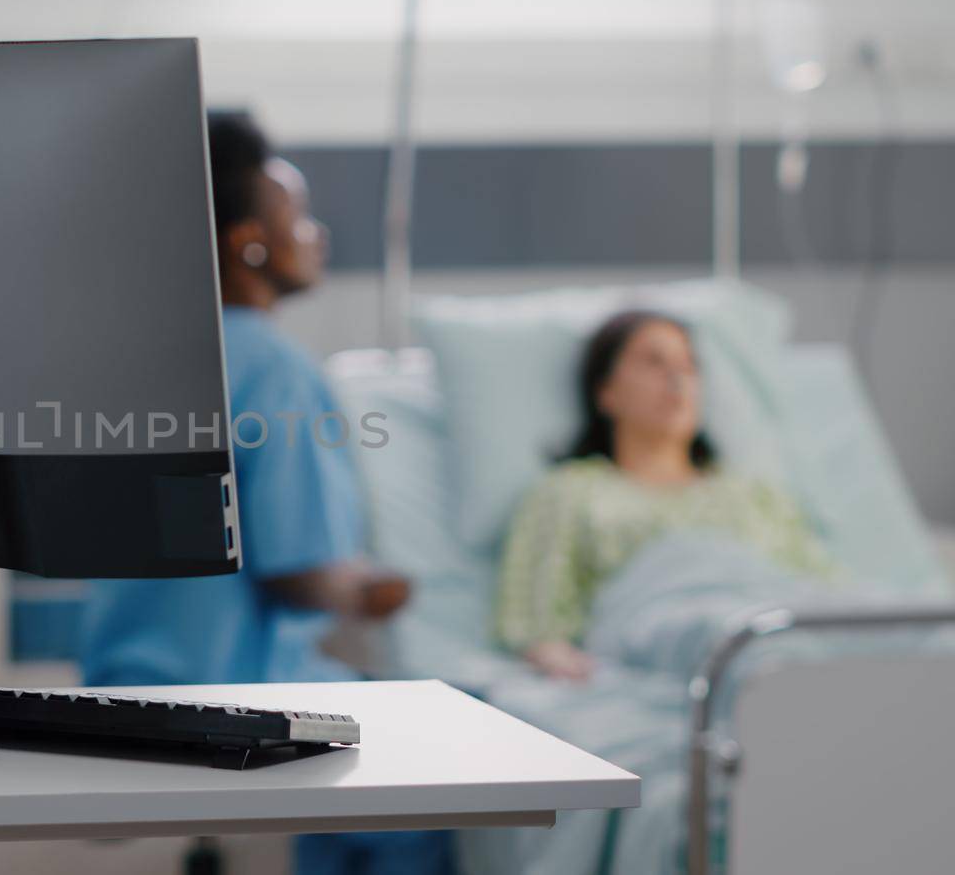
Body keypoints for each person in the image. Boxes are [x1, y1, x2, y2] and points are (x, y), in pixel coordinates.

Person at [80, 112, 445, 875]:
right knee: (429, 795)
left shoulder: (141, 363)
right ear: (247, 240)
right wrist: (380, 589)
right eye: (298, 216)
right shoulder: (272, 366)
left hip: (120, 687)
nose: (317, 234)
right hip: (233, 698)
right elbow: (297, 574)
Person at [496, 310, 838, 681]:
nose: (677, 379)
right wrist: (569, 668)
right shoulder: (569, 492)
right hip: (670, 638)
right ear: (606, 392)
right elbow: (534, 623)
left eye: (689, 366)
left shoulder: (753, 494)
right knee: (723, 635)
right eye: (653, 362)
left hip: (774, 623)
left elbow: (820, 592)